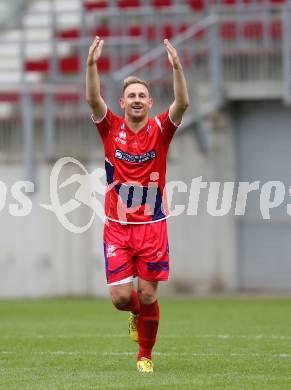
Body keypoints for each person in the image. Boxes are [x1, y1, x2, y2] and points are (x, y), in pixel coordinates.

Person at [86, 36, 189, 373]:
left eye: (142, 95)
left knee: (147, 293)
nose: (136, 100)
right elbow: (92, 98)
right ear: (122, 101)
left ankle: (145, 355)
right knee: (121, 299)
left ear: (149, 102)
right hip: (117, 227)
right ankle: (135, 315)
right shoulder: (110, 127)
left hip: (151, 226)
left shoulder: (160, 129)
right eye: (131, 95)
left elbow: (182, 104)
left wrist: (176, 68)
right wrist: (91, 65)